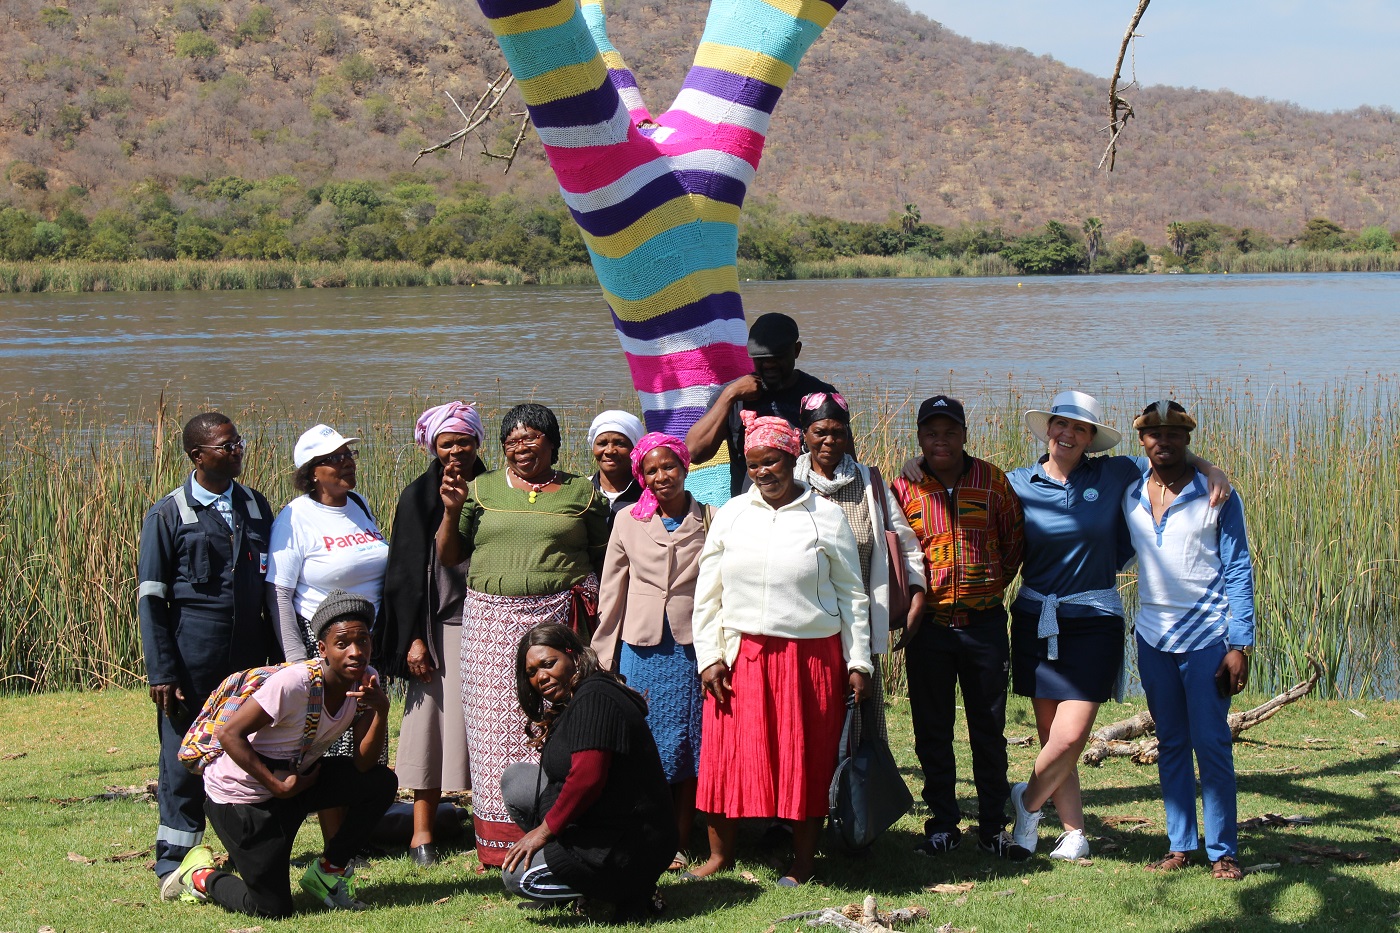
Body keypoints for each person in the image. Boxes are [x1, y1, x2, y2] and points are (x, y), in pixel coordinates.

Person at [1001, 391, 1229, 862]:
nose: (1068, 435)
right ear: (1049, 429)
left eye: (1080, 430)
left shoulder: (1116, 473)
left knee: (1071, 736)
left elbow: (1169, 456)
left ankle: (1026, 804)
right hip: (1035, 618)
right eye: (1061, 425)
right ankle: (1074, 831)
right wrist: (916, 465)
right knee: (1052, 737)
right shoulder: (1016, 483)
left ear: (1091, 440)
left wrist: (1212, 470)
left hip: (1095, 619)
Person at [689, 412, 872, 885]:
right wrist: (709, 656)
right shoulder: (731, 514)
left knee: (805, 757)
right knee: (726, 755)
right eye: (753, 465)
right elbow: (707, 593)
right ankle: (720, 856)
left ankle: (804, 861)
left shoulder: (825, 516)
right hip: (741, 655)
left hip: (810, 658)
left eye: (771, 462)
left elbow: (852, 594)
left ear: (793, 458)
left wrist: (859, 659)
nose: (763, 472)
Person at [438, 402, 610, 867]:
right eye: (511, 441)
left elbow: (601, 557)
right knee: (493, 725)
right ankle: (498, 842)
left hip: (555, 622)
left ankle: (561, 829)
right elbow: (451, 555)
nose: (520, 447)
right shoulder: (481, 489)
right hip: (490, 626)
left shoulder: (582, 494)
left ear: (553, 443)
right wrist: (452, 511)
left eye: (531, 437)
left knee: (555, 716)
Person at [168, 590, 397, 917]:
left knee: (381, 782)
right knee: (271, 908)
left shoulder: (367, 682)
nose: (356, 652)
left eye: (363, 641)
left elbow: (363, 762)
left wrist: (380, 712)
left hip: (296, 781)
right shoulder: (294, 684)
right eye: (343, 643)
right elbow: (229, 735)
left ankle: (328, 873)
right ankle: (200, 875)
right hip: (243, 796)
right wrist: (275, 786)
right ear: (323, 649)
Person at [138, 411, 280, 899]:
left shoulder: (256, 507)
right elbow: (152, 599)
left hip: (248, 657)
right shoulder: (168, 514)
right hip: (192, 653)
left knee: (244, 749)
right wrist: (161, 669)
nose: (236, 449)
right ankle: (174, 859)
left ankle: (242, 845)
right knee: (182, 758)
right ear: (197, 455)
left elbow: (270, 589)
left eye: (238, 441)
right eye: (225, 444)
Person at [1126, 401, 1255, 882]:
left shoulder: (1217, 495)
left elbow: (1238, 568)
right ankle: (1181, 845)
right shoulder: (1130, 490)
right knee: (1172, 741)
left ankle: (1224, 850)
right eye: (1154, 434)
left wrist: (1239, 643)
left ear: (1188, 437)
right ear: (1142, 441)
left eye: (1175, 433)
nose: (1164, 441)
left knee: (1212, 742)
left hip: (1207, 638)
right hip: (1152, 637)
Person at [890, 395, 1025, 859]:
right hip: (930, 629)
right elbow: (897, 552)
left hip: (984, 625)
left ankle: (992, 826)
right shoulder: (905, 487)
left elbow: (1012, 544)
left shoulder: (992, 480)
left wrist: (984, 588)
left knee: (988, 727)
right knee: (932, 728)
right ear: (920, 437)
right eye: (931, 433)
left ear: (965, 435)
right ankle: (943, 823)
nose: (940, 440)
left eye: (950, 432)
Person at [501, 624, 677, 920]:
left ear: (572, 655)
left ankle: (627, 888)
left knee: (518, 877)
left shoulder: (595, 697)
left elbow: (587, 779)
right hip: (599, 820)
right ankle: (588, 886)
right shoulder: (577, 697)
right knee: (517, 779)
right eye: (531, 672)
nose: (541, 677)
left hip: (628, 842)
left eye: (548, 663)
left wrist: (542, 833)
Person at [265, 423, 390, 839]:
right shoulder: (295, 516)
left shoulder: (359, 502)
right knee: (331, 742)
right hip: (322, 643)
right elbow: (280, 592)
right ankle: (336, 840)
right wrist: (298, 664)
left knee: (368, 727)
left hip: (364, 639)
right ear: (312, 472)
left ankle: (360, 831)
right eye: (335, 459)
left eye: (348, 455)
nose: (347, 463)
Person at [592, 432, 708, 871]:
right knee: (649, 743)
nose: (661, 477)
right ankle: (648, 831)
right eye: (651, 470)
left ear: (684, 467)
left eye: (669, 467)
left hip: (693, 646)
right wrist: (603, 658)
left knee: (688, 741)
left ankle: (680, 836)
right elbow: (612, 591)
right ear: (640, 475)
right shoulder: (627, 521)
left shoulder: (711, 518)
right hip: (641, 649)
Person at [380, 402, 487, 866]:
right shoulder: (416, 496)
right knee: (427, 727)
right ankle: (420, 833)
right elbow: (403, 575)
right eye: (448, 443)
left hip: (489, 620)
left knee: (489, 726)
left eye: (464, 441)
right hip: (439, 624)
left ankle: (493, 822)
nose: (457, 451)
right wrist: (413, 640)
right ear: (433, 446)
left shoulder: (495, 489)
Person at [792, 390, 926, 727]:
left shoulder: (870, 482)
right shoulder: (786, 481)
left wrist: (917, 593)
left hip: (859, 625)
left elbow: (907, 544)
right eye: (819, 432)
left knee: (860, 723)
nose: (829, 441)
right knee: (811, 719)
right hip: (803, 626)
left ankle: (859, 779)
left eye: (838, 432)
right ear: (804, 434)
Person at [686, 313, 839, 500]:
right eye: (761, 359)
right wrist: (730, 396)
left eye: (777, 358)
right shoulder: (734, 396)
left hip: (810, 507)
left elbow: (847, 460)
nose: (768, 365)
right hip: (751, 511)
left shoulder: (820, 396)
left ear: (796, 350)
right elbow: (694, 453)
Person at [586, 410, 646, 531]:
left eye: (620, 443)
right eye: (602, 443)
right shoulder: (583, 490)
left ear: (635, 449)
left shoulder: (648, 495)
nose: (609, 451)